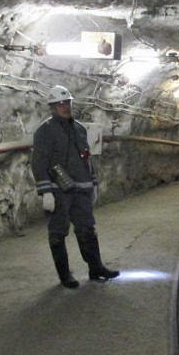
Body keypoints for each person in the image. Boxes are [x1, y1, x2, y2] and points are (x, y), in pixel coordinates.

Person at [31, 85, 119, 288]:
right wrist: (46, 191)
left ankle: (95, 268)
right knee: (58, 232)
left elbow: (86, 157)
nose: (65, 107)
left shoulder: (79, 128)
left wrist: (93, 182)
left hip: (81, 189)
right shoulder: (45, 131)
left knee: (87, 229)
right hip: (59, 190)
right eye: (61, 104)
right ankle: (65, 276)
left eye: (67, 103)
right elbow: (39, 162)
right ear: (52, 107)